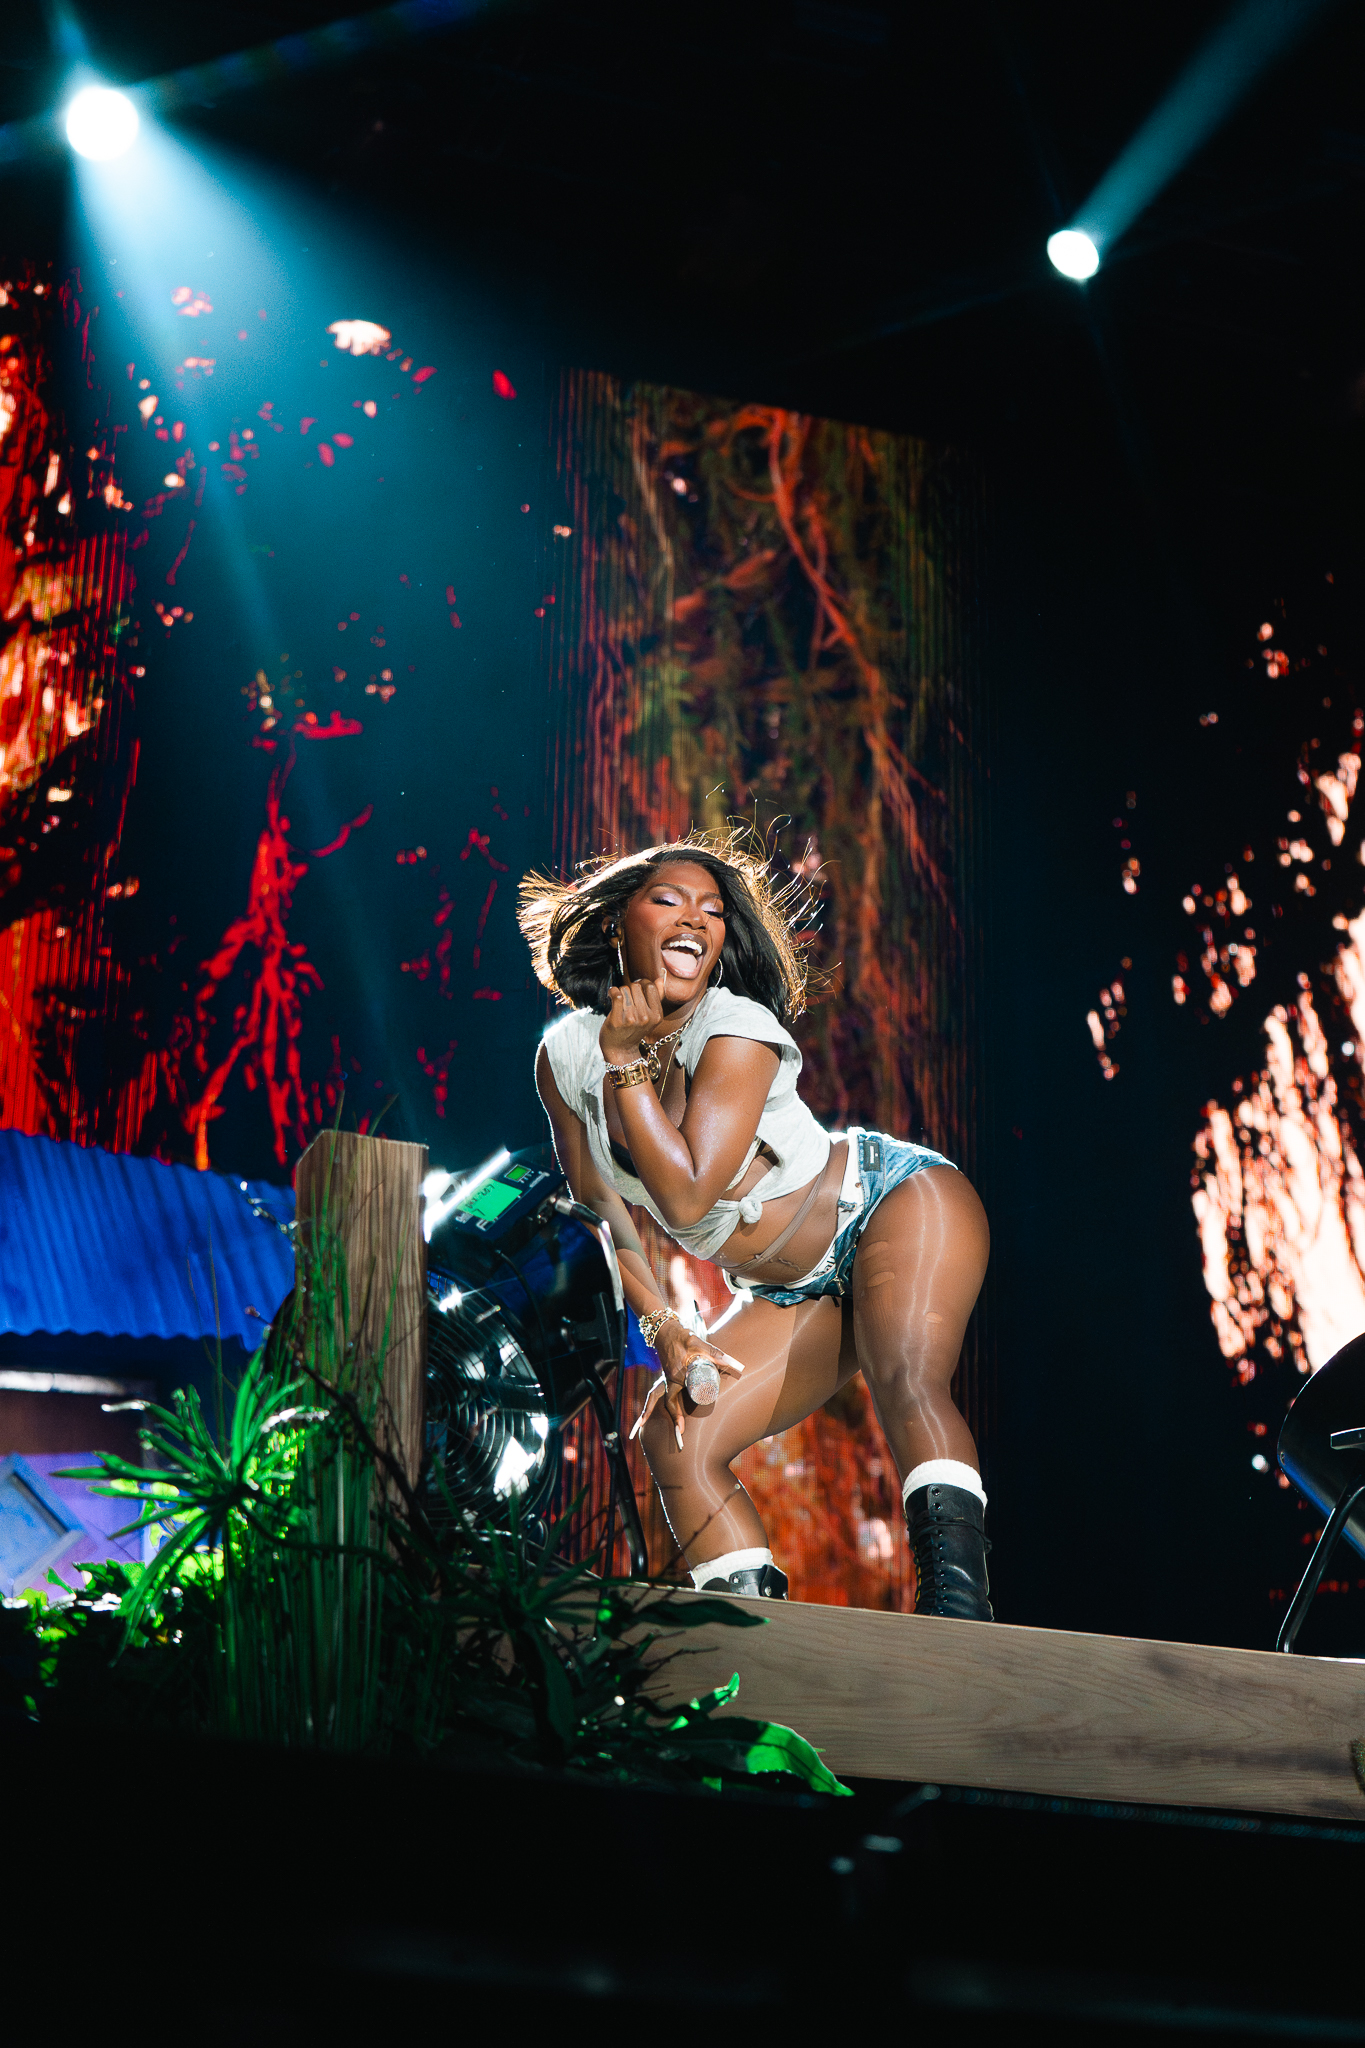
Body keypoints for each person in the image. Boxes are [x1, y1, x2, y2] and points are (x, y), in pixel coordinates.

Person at [516, 832, 993, 1618]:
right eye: (667, 900)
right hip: (789, 1287)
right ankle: (754, 1641)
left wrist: (627, 1063)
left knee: (903, 1375)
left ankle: (958, 1620)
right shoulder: (564, 1056)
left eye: (711, 910)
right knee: (675, 1435)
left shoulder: (734, 1024)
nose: (694, 919)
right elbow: (604, 1210)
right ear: (615, 924)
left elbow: (685, 1198)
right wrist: (666, 1327)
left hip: (889, 1203)